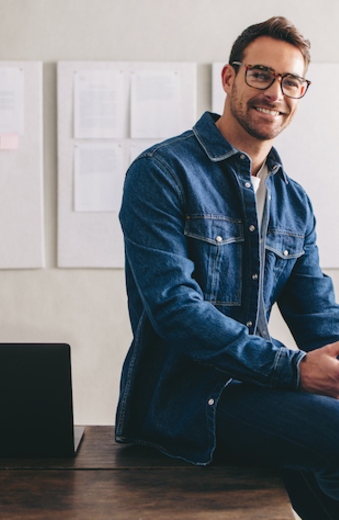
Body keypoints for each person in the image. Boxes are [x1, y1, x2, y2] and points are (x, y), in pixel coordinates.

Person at [116, 16, 339, 520]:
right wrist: (295, 368)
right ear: (229, 77)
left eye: (291, 82)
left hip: (264, 393)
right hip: (186, 404)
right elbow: (175, 309)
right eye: (261, 75)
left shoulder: (293, 201)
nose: (275, 93)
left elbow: (318, 318)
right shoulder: (162, 172)